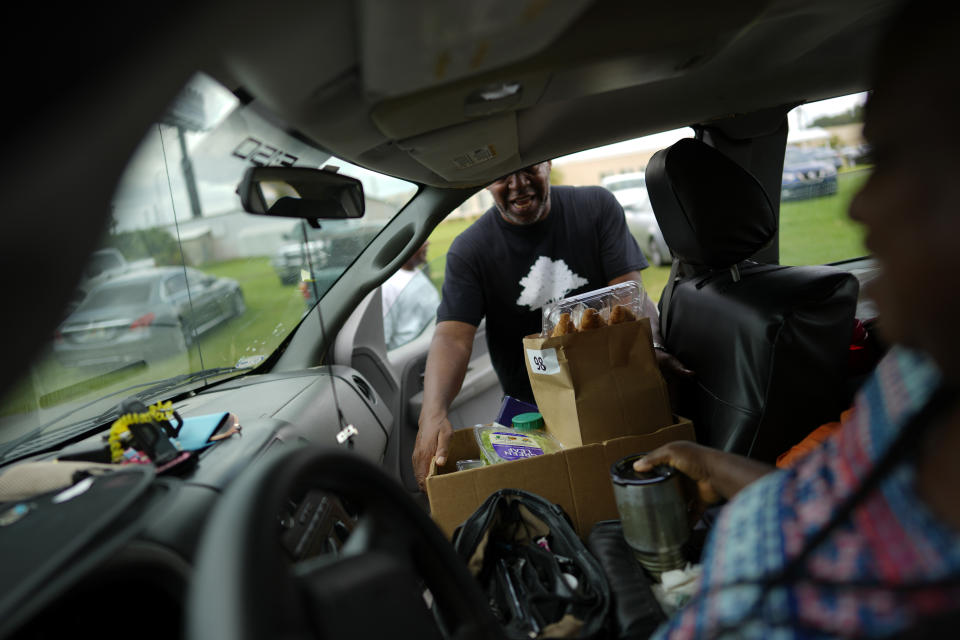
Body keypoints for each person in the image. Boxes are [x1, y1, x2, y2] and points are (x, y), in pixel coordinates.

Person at [637, 2, 960, 637]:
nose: (862, 205)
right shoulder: (921, 374)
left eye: (897, 159)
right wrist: (708, 463)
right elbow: (829, 500)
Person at [413, 161, 691, 487]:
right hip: (531, 415)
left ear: (546, 164)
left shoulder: (595, 208)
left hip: (611, 392)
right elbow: (453, 337)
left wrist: (651, 349)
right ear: (486, 183)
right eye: (502, 175)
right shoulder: (470, 249)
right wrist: (432, 414)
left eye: (529, 168)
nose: (518, 183)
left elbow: (627, 299)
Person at [381, 242, 439, 350]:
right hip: (411, 356)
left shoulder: (416, 271)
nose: (427, 243)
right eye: (421, 241)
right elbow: (383, 338)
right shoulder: (389, 285)